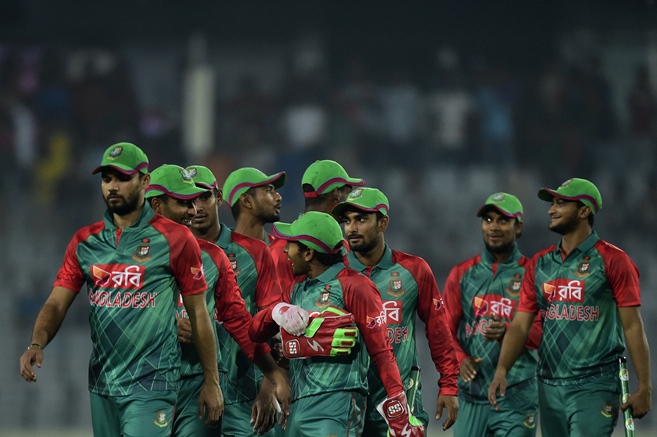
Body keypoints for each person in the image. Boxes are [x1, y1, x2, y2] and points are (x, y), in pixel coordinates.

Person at [19, 143, 222, 437]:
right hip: (103, 384)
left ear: (145, 181)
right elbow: (56, 304)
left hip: (153, 384)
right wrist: (36, 344)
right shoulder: (85, 241)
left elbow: (199, 312)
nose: (113, 186)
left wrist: (211, 381)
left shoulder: (176, 239)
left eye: (123, 178)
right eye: (107, 179)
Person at [488, 178, 652, 437]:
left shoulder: (614, 260)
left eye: (561, 203)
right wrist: (501, 370)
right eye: (552, 203)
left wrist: (645, 387)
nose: (551, 210)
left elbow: (632, 325)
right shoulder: (540, 264)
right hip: (549, 385)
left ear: (584, 210)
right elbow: (520, 325)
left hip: (595, 384)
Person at [249, 211, 425, 437]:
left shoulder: (355, 285)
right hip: (298, 406)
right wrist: (276, 311)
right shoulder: (296, 290)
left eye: (291, 245)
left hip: (338, 404)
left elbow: (381, 351)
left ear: (309, 253)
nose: (285, 250)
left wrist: (398, 407)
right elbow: (254, 332)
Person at [145, 164, 289, 437]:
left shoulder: (254, 253)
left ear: (219, 198)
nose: (196, 207)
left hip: (245, 395)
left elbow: (273, 326)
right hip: (181, 386)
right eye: (188, 200)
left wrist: (268, 387)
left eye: (204, 197)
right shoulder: (156, 255)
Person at [332, 187, 459, 434]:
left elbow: (438, 331)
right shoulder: (334, 274)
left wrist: (449, 386)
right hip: (347, 405)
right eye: (346, 221)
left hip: (401, 404)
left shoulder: (414, 270)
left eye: (361, 219)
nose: (351, 228)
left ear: (383, 223)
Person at [442, 192, 542, 436]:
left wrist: (508, 333)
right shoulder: (462, 273)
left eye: (502, 220)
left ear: (518, 227)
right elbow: (443, 328)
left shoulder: (534, 273)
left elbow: (541, 333)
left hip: (516, 394)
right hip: (471, 394)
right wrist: (459, 358)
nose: (493, 227)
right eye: (488, 220)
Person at [270, 159, 365, 294]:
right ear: (336, 193)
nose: (350, 202)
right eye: (348, 194)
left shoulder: (340, 245)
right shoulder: (283, 249)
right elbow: (276, 307)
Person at [221, 166, 286, 243]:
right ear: (247, 201)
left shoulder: (282, 250)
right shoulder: (217, 252)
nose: (278, 197)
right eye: (268, 190)